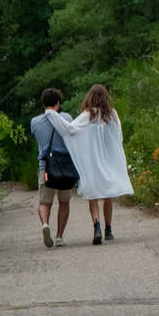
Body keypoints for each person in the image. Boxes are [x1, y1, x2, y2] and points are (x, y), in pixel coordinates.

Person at [46, 84, 133, 245]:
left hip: (93, 162)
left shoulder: (87, 115)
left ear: (90, 97)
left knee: (93, 195)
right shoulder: (112, 114)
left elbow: (70, 130)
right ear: (106, 97)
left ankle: (97, 226)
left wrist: (51, 114)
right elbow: (119, 137)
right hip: (109, 160)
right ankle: (108, 229)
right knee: (108, 194)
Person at [30, 87, 76, 249]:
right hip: (64, 168)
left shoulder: (35, 122)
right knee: (64, 201)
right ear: (58, 103)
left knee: (44, 202)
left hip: (46, 168)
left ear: (43, 103)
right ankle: (59, 237)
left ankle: (45, 224)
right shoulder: (66, 117)